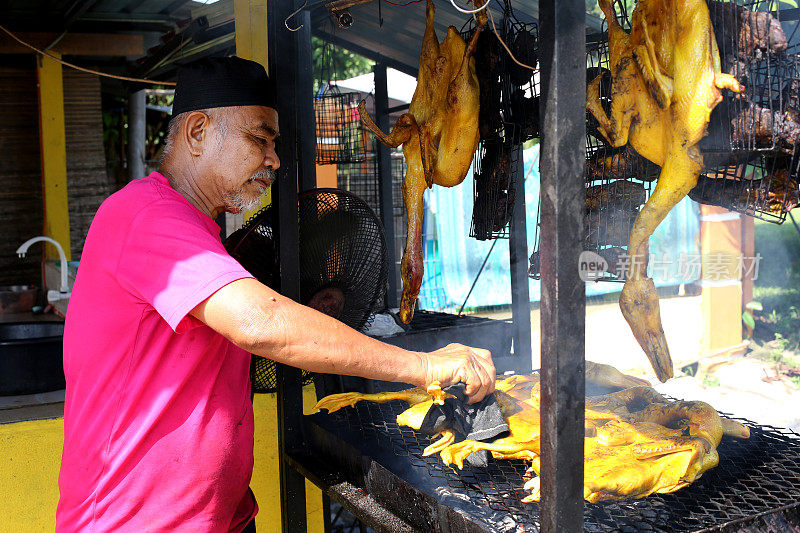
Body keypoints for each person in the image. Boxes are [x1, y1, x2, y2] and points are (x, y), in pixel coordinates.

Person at [56, 56, 495, 533]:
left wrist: (306, 318)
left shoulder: (196, 229)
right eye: (259, 138)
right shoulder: (144, 214)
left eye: (275, 143)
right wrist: (425, 367)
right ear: (198, 131)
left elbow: (221, 347)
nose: (274, 159)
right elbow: (258, 323)